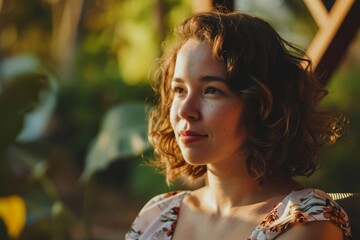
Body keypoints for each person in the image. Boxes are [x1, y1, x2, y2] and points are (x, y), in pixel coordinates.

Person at [126, 10, 351, 240]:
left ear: (263, 105)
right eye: (179, 90)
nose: (185, 110)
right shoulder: (158, 215)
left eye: (211, 90)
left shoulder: (303, 223)